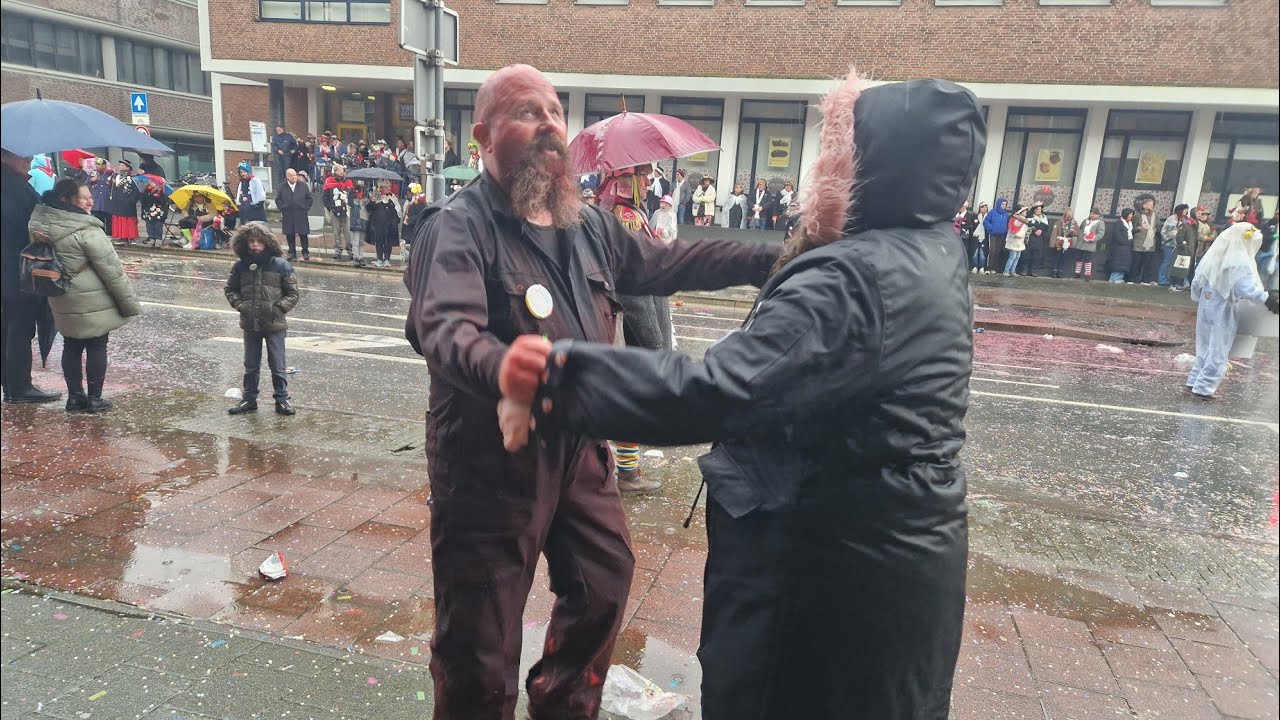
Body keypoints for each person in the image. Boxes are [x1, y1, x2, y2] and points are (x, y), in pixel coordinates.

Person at [499, 74, 982, 720]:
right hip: (886, 563)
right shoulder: (929, 249)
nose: (818, 167)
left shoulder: (853, 279)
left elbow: (718, 390)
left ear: (865, 167)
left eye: (832, 151)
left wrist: (557, 375)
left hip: (821, 579)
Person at [402, 63, 779, 719]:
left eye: (554, 111)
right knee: (480, 643)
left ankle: (562, 703)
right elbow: (444, 329)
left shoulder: (589, 226)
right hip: (490, 463)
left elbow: (670, 263)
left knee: (604, 580)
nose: (549, 124)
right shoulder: (458, 227)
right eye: (527, 112)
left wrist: (770, 258)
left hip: (579, 450)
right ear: (482, 139)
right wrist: (503, 368)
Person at [28, 179, 141, 412]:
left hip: (60, 293)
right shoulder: (86, 230)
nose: (90, 202)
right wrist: (129, 304)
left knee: (71, 344)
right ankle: (95, 398)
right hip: (91, 297)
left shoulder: (41, 224)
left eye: (91, 196)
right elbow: (113, 272)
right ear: (67, 199)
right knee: (97, 344)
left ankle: (74, 397)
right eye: (84, 197)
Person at [597, 163, 676, 495]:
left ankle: (616, 470)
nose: (646, 182)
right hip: (629, 328)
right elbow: (632, 288)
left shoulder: (627, 213)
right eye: (640, 176)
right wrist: (654, 342)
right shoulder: (625, 216)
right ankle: (626, 474)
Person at [1185, 222, 1279, 400]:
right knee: (1218, 349)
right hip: (1223, 307)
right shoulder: (1239, 260)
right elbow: (1245, 287)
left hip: (1206, 304)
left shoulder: (1216, 254)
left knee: (1203, 346)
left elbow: (1197, 283)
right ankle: (1204, 388)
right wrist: (1267, 299)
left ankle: (1194, 381)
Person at [1, 148, 61, 404]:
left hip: (9, 269)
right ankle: (19, 386)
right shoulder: (13, 188)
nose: (28, 160)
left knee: (7, 328)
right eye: (22, 156)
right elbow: (27, 222)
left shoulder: (14, 184)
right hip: (17, 270)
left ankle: (10, 383)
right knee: (21, 328)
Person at [225, 222, 298, 416]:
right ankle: (249, 399)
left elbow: (292, 293)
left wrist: (277, 309)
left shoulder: (281, 265)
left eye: (259, 241)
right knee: (251, 364)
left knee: (277, 365)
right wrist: (241, 306)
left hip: (274, 323)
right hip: (250, 323)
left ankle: (282, 400)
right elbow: (231, 290)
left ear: (267, 242)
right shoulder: (241, 266)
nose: (255, 245)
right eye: (251, 241)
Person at [277, 167, 312, 262]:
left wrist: (305, 208)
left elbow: (309, 199)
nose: (294, 177)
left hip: (301, 214)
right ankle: (292, 252)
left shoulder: (303, 186)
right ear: (287, 177)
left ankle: (305, 252)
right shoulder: (282, 187)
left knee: (303, 234)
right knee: (290, 234)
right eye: (291, 175)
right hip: (288, 214)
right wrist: (282, 208)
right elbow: (278, 199)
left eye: (295, 175)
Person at [323, 164, 355, 261]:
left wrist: (349, 206)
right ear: (334, 171)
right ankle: (338, 249)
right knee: (336, 231)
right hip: (334, 210)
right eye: (339, 170)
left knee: (348, 231)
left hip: (346, 210)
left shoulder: (348, 182)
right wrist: (330, 207)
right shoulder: (329, 182)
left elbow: (351, 196)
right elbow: (325, 197)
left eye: (342, 170)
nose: (341, 172)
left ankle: (350, 249)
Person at [365, 181, 401, 268]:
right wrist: (372, 201)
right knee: (379, 241)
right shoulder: (376, 197)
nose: (388, 188)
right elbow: (369, 208)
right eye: (386, 187)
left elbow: (398, 210)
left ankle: (387, 259)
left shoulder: (393, 198)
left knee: (388, 242)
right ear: (381, 188)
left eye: (389, 186)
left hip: (390, 224)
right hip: (379, 224)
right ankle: (380, 259)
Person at [107, 160, 139, 244]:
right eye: (120, 165)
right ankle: (122, 236)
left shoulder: (132, 178)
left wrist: (131, 200)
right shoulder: (115, 176)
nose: (120, 166)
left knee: (128, 219)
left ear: (128, 168)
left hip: (127, 202)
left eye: (122, 165)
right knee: (119, 218)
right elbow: (110, 187)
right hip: (117, 202)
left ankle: (131, 237)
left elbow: (136, 191)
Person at [1159, 204, 1191, 287]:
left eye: (1186, 210)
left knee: (1174, 263)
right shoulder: (1172, 218)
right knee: (1167, 261)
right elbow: (1166, 231)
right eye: (1184, 210)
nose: (1186, 211)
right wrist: (1175, 235)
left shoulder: (1184, 219)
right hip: (1169, 244)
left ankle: (1169, 279)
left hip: (1178, 245)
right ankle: (1162, 279)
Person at [1132, 195, 1159, 284]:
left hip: (1150, 243)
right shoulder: (1138, 215)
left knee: (1147, 263)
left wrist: (1154, 230)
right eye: (1150, 204)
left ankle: (1145, 280)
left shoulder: (1155, 216)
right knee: (1136, 263)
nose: (1152, 206)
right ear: (1144, 205)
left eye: (1152, 204)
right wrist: (1139, 228)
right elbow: (1133, 227)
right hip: (1139, 242)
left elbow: (1158, 226)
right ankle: (1133, 279)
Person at [1075, 207, 1106, 280]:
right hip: (1081, 242)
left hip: (1090, 244)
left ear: (1098, 215)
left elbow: (1101, 233)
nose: (1092, 215)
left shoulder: (1100, 222)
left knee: (1088, 259)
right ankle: (1077, 273)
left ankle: (1087, 275)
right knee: (1079, 258)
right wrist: (1079, 236)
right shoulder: (1085, 221)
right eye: (1091, 214)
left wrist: (1093, 238)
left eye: (1094, 214)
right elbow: (1080, 229)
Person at [401, 181, 428, 264]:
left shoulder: (420, 203)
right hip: (408, 230)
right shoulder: (410, 201)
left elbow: (420, 216)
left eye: (410, 192)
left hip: (414, 230)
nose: (408, 193)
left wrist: (408, 220)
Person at [1048, 208, 1078, 279]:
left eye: (1070, 216)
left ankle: (1060, 271)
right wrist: (1053, 243)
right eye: (1067, 215)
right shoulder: (1059, 221)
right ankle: (1054, 271)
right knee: (1057, 257)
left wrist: (1072, 232)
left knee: (1064, 258)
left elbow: (1077, 232)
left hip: (1067, 242)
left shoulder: (1073, 223)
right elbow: (1054, 233)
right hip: (1059, 241)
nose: (1068, 217)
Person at [983, 197, 1011, 273]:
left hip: (1001, 235)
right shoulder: (992, 212)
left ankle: (993, 268)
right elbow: (986, 221)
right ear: (999, 204)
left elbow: (1007, 223)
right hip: (993, 234)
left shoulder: (1005, 214)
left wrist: (1005, 230)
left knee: (997, 251)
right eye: (1002, 204)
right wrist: (991, 228)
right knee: (992, 250)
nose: (1003, 206)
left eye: (1005, 204)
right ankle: (988, 268)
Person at [1020, 203, 1049, 276]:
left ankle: (1033, 270)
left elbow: (1046, 229)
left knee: (1036, 256)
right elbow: (1026, 227)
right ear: (1034, 210)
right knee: (1027, 255)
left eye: (1039, 209)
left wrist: (1041, 231)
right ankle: (1024, 270)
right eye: (1037, 209)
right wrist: (1034, 231)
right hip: (1030, 238)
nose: (1038, 210)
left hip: (1039, 239)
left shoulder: (1044, 218)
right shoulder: (1029, 217)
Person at [139, 180, 168, 248]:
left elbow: (163, 202)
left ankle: (158, 239)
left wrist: (156, 195)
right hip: (149, 212)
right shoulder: (147, 192)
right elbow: (143, 200)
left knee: (158, 226)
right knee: (149, 225)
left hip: (158, 213)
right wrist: (149, 192)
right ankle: (151, 238)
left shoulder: (162, 194)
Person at [1109, 208, 1136, 283]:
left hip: (1126, 248)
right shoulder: (1119, 223)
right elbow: (1117, 235)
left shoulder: (1130, 224)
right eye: (1130, 214)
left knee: (1123, 264)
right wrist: (1126, 242)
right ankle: (1116, 278)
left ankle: (1116, 278)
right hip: (1119, 248)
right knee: (1118, 264)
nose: (1131, 216)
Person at [87, 159, 113, 229]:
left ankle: (109, 233)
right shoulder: (93, 173)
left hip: (107, 201)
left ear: (104, 166)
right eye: (96, 164)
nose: (97, 166)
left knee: (109, 221)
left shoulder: (110, 174)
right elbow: (87, 184)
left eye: (99, 165)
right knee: (98, 222)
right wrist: (92, 180)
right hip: (97, 202)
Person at [1004, 206, 1028, 276]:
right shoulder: (1014, 220)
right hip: (1014, 240)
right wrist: (1015, 235)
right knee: (1012, 256)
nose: (1026, 212)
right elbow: (1012, 229)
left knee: (1017, 257)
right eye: (1024, 211)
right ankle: (1006, 271)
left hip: (1021, 241)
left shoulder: (1024, 220)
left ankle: (1012, 271)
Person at [969, 202, 989, 273]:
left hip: (984, 237)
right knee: (975, 252)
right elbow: (971, 227)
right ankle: (974, 266)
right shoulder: (975, 217)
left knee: (982, 252)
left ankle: (982, 267)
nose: (984, 209)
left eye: (985, 207)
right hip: (975, 237)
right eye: (982, 207)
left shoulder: (988, 217)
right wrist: (973, 234)